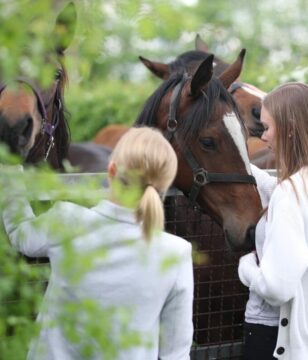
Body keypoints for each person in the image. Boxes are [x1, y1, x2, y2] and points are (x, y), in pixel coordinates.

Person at [2, 127, 194, 360]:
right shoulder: (176, 253)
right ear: (163, 186)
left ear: (111, 170)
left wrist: (9, 168)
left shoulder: (67, 220)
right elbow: (176, 351)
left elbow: (21, 235)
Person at [239, 82, 308, 359]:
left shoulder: (290, 194)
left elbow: (277, 289)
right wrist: (238, 164)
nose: (262, 137)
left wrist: (247, 268)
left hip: (275, 339)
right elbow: (285, 194)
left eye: (266, 127)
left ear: (290, 128)